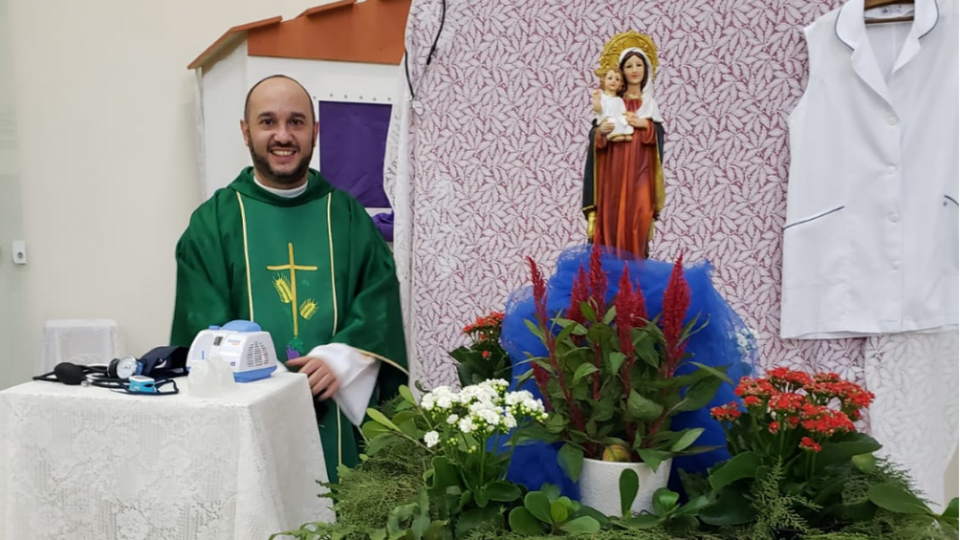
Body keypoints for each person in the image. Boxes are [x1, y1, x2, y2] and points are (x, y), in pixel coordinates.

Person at [170, 74, 408, 483]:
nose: (283, 135)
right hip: (249, 424)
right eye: (268, 122)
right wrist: (270, 380)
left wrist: (341, 359)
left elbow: (378, 303)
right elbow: (200, 334)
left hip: (336, 420)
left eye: (296, 122)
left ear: (315, 131)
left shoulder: (347, 217)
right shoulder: (213, 223)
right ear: (246, 132)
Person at [582, 32, 666, 258]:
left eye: (639, 64)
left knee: (638, 216)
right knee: (611, 216)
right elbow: (596, 136)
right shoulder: (613, 102)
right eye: (629, 66)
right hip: (614, 173)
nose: (635, 70)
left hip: (641, 173)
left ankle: (636, 272)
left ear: (647, 70)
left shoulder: (650, 104)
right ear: (622, 71)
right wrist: (601, 133)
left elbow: (658, 138)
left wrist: (644, 126)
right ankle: (608, 276)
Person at [591, 69, 633, 142]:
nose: (613, 81)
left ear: (621, 83)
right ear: (604, 80)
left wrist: (629, 115)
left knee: (622, 122)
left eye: (617, 79)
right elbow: (598, 109)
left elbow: (623, 111)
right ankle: (612, 135)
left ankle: (623, 134)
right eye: (610, 78)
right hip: (607, 120)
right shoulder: (602, 97)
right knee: (612, 123)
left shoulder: (619, 100)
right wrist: (596, 100)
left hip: (617, 118)